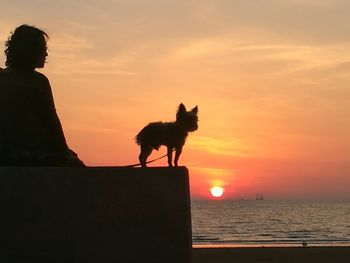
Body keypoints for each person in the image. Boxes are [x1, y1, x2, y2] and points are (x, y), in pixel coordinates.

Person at [0, 24, 85, 166]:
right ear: (30, 51)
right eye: (43, 49)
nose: (46, 54)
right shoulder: (37, 81)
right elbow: (52, 123)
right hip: (30, 154)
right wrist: (65, 155)